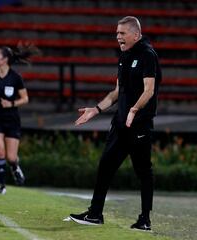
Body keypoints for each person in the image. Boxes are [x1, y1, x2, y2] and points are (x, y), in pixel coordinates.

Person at [69, 16, 161, 231]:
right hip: (120, 123)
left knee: (143, 172)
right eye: (117, 33)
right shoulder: (124, 56)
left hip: (139, 125)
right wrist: (96, 109)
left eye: (122, 33)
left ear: (135, 35)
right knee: (105, 167)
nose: (118, 37)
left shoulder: (147, 55)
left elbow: (149, 90)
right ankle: (94, 214)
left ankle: (144, 219)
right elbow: (117, 92)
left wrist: (134, 110)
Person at [0, 45, 37, 194]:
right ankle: (2, 185)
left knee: (11, 157)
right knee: (0, 152)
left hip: (12, 120)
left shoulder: (16, 78)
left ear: (5, 59)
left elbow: (25, 98)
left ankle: (15, 167)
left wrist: (12, 103)